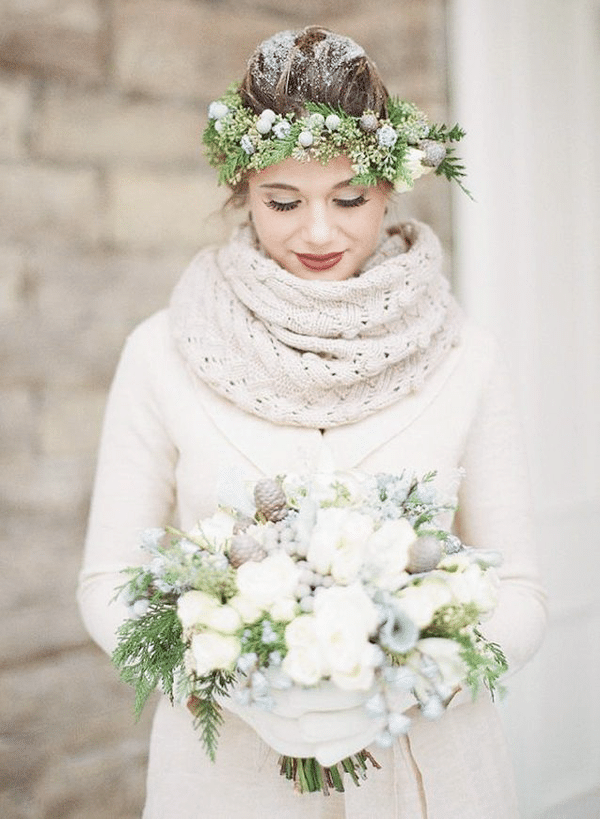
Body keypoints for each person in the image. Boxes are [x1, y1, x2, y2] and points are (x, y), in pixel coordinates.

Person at [78, 26, 547, 819]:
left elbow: (523, 593)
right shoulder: (161, 352)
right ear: (241, 190)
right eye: (283, 201)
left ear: (392, 189)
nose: (320, 232)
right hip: (226, 783)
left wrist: (414, 674)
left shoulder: (470, 356)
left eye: (350, 199)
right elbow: (106, 582)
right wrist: (229, 680)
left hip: (432, 779)